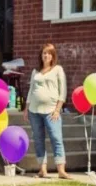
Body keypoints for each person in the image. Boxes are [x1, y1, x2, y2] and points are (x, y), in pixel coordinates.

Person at [25, 43, 70, 178]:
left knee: (56, 138)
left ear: (53, 56)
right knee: (38, 139)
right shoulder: (35, 72)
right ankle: (42, 169)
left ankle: (61, 170)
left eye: (49, 53)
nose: (46, 55)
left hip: (51, 111)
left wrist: (58, 109)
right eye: (44, 53)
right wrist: (26, 108)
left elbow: (63, 91)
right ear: (41, 55)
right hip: (34, 110)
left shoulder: (58, 69)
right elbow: (31, 90)